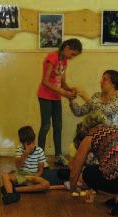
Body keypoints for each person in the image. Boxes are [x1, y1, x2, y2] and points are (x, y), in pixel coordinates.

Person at [37, 38, 83, 167]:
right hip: (45, 96)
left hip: (56, 97)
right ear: (66, 48)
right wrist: (64, 93)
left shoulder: (64, 61)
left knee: (58, 126)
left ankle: (58, 156)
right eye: (72, 54)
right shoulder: (52, 57)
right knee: (46, 126)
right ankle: (40, 158)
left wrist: (71, 89)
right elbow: (45, 82)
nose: (72, 57)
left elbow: (62, 83)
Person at [0, 126, 50, 204]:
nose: (31, 145)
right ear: (22, 142)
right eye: (28, 143)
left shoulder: (39, 151)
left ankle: (15, 190)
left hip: (34, 176)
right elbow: (18, 166)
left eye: (32, 142)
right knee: (4, 175)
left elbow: (40, 170)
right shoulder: (19, 149)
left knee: (46, 184)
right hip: (22, 175)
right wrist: (26, 153)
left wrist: (34, 177)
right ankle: (10, 195)